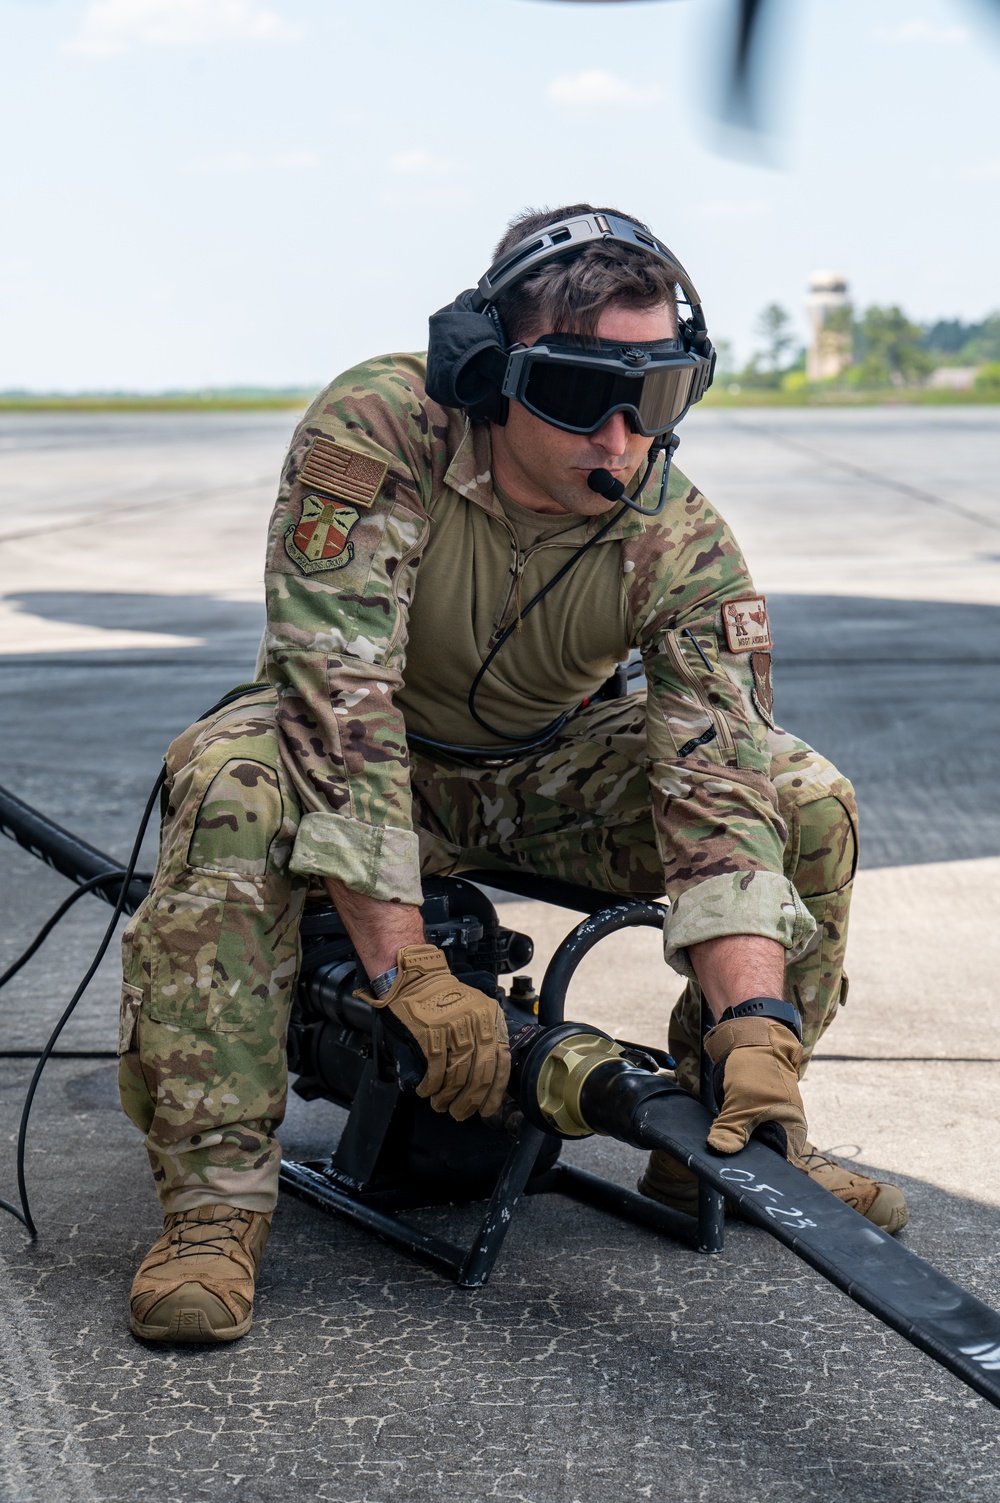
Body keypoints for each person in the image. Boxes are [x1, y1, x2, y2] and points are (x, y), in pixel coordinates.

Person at [118, 204, 906, 1346]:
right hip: (365, 750)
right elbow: (341, 707)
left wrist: (757, 1016)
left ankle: (727, 1140)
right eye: (584, 395)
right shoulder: (383, 429)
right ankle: (212, 1208)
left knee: (804, 800)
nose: (624, 437)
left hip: (544, 776)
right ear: (486, 371)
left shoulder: (677, 535)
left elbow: (717, 781)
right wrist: (409, 977)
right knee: (231, 783)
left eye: (663, 395)